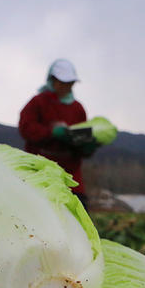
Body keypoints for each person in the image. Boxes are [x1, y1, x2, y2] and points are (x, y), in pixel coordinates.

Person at [18, 59, 97, 208]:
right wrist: (51, 132)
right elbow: (25, 128)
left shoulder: (78, 108)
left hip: (71, 178)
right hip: (40, 174)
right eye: (62, 82)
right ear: (52, 80)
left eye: (69, 83)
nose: (66, 87)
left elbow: (81, 141)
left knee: (77, 221)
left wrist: (87, 147)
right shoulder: (38, 102)